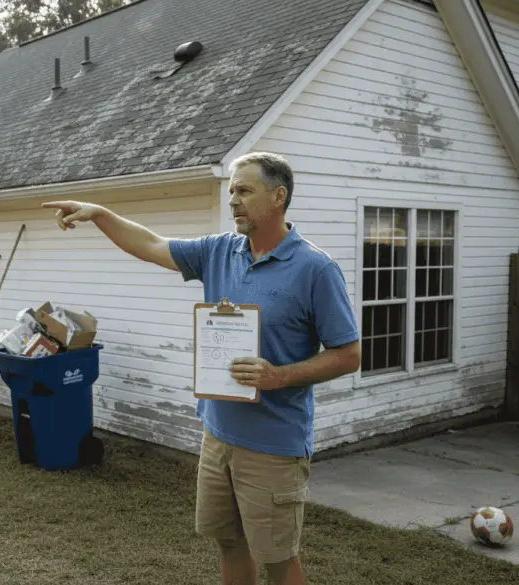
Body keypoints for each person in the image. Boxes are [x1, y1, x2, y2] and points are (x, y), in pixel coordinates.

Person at [41, 152, 361, 585]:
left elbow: (349, 354)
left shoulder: (315, 269)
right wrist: (100, 214)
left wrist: (279, 376)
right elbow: (151, 245)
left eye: (244, 190)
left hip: (273, 444)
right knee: (228, 542)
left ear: (278, 197)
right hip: (217, 433)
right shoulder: (219, 251)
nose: (233, 200)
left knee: (277, 560)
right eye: (231, 191)